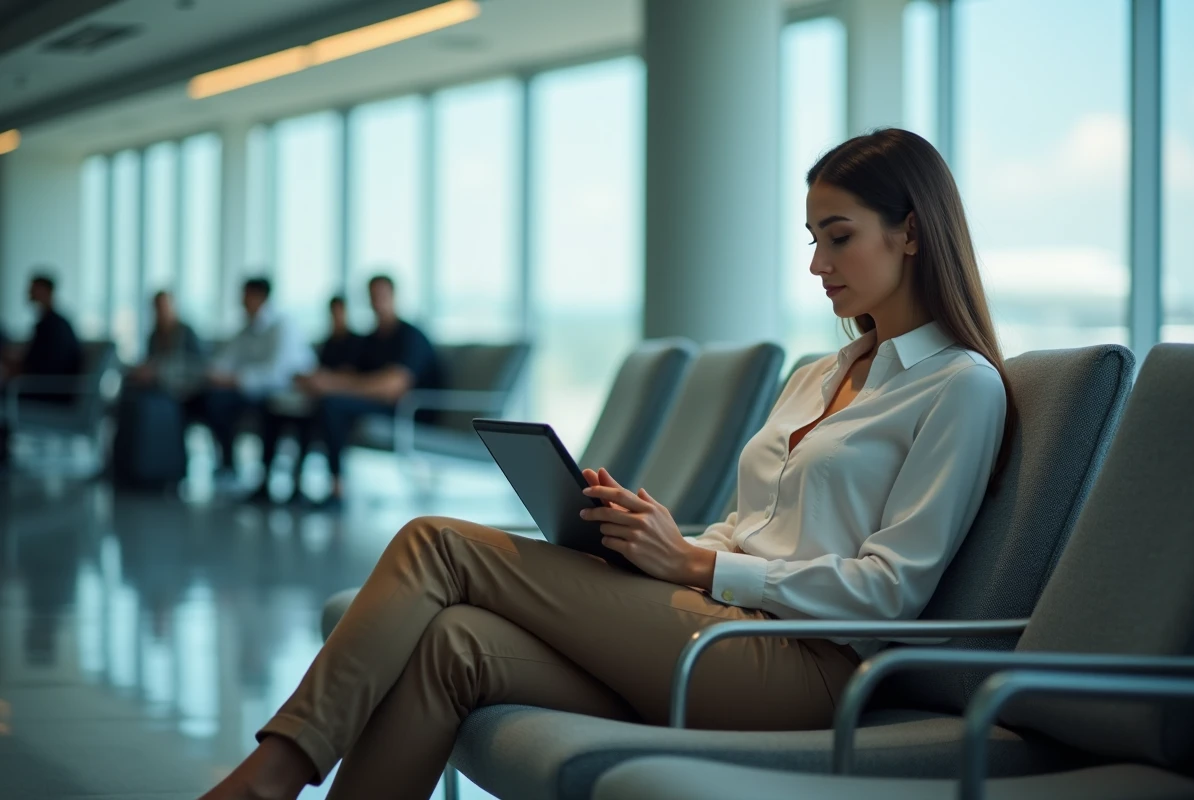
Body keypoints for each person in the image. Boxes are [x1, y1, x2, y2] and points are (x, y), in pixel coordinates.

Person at [199, 129, 1015, 800]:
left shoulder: (959, 388)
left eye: (838, 237)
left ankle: (273, 775)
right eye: (813, 240)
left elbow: (890, 592)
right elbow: (753, 529)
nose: (816, 264)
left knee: (436, 544)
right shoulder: (819, 375)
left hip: (809, 667)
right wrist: (654, 536)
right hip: (721, 632)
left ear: (909, 231)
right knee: (454, 644)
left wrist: (698, 563)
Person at [292, 275, 442, 509]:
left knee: (332, 404)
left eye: (382, 296)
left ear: (394, 296)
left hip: (413, 412)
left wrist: (337, 384)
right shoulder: (371, 339)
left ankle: (337, 490)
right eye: (372, 296)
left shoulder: (411, 336)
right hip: (381, 405)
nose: (377, 302)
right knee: (315, 402)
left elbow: (392, 387)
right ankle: (296, 486)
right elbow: (354, 374)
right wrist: (324, 380)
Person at [193, 277, 315, 489]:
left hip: (289, 395)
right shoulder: (247, 330)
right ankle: (228, 464)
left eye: (245, 296)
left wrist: (234, 379)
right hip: (257, 392)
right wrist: (215, 374)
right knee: (212, 400)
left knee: (259, 409)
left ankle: (261, 477)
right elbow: (224, 361)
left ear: (260, 297)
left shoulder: (282, 326)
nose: (241, 301)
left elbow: (277, 374)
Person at [253, 296, 364, 504]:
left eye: (340, 312)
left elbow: (353, 377)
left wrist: (327, 381)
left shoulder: (357, 342)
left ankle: (334, 488)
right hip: (317, 397)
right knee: (274, 409)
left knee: (322, 413)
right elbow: (317, 370)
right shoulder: (328, 342)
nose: (336, 317)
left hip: (337, 402)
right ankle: (273, 480)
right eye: (332, 313)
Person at [0, 274, 85, 469]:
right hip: (48, 386)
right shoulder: (49, 323)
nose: (28, 293)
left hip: (53, 392)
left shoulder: (54, 326)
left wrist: (17, 368)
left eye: (32, 288)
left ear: (46, 292)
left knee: (5, 393)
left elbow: (46, 366)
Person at [129, 290, 205, 396]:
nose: (162, 312)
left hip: (181, 391)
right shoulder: (154, 336)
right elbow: (150, 361)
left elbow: (198, 366)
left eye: (165, 307)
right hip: (157, 386)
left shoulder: (186, 333)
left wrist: (157, 372)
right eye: (158, 308)